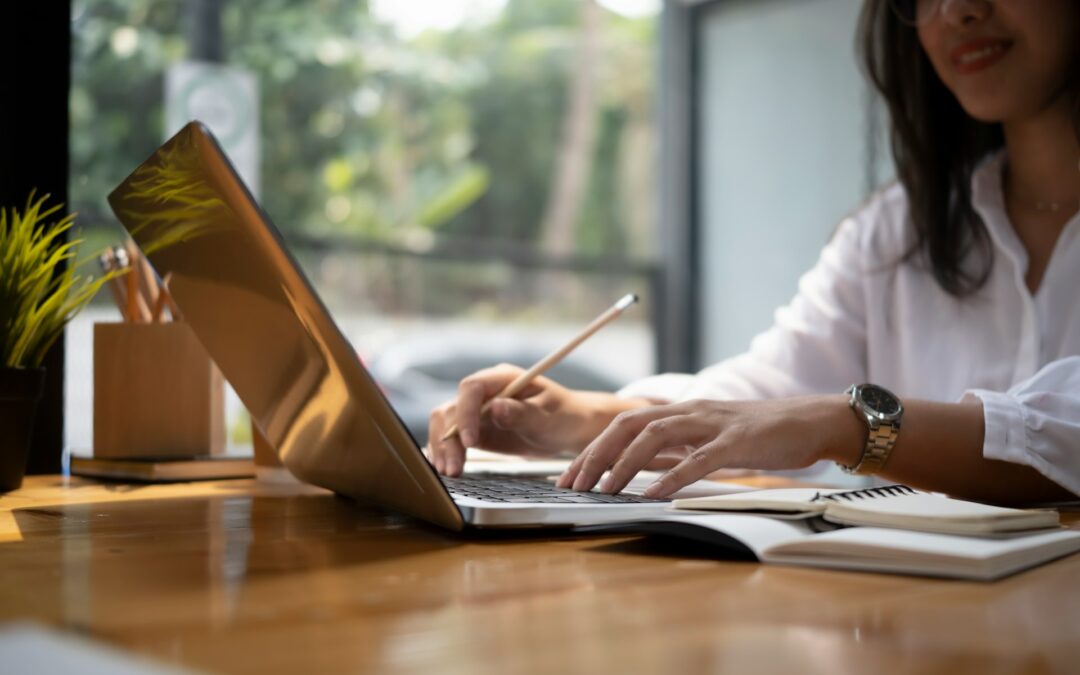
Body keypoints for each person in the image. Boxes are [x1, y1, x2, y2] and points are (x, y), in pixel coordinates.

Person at [427, 0, 1080, 506]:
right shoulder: (897, 228)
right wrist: (586, 417)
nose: (956, 9)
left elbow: (1064, 428)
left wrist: (846, 422)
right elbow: (773, 392)